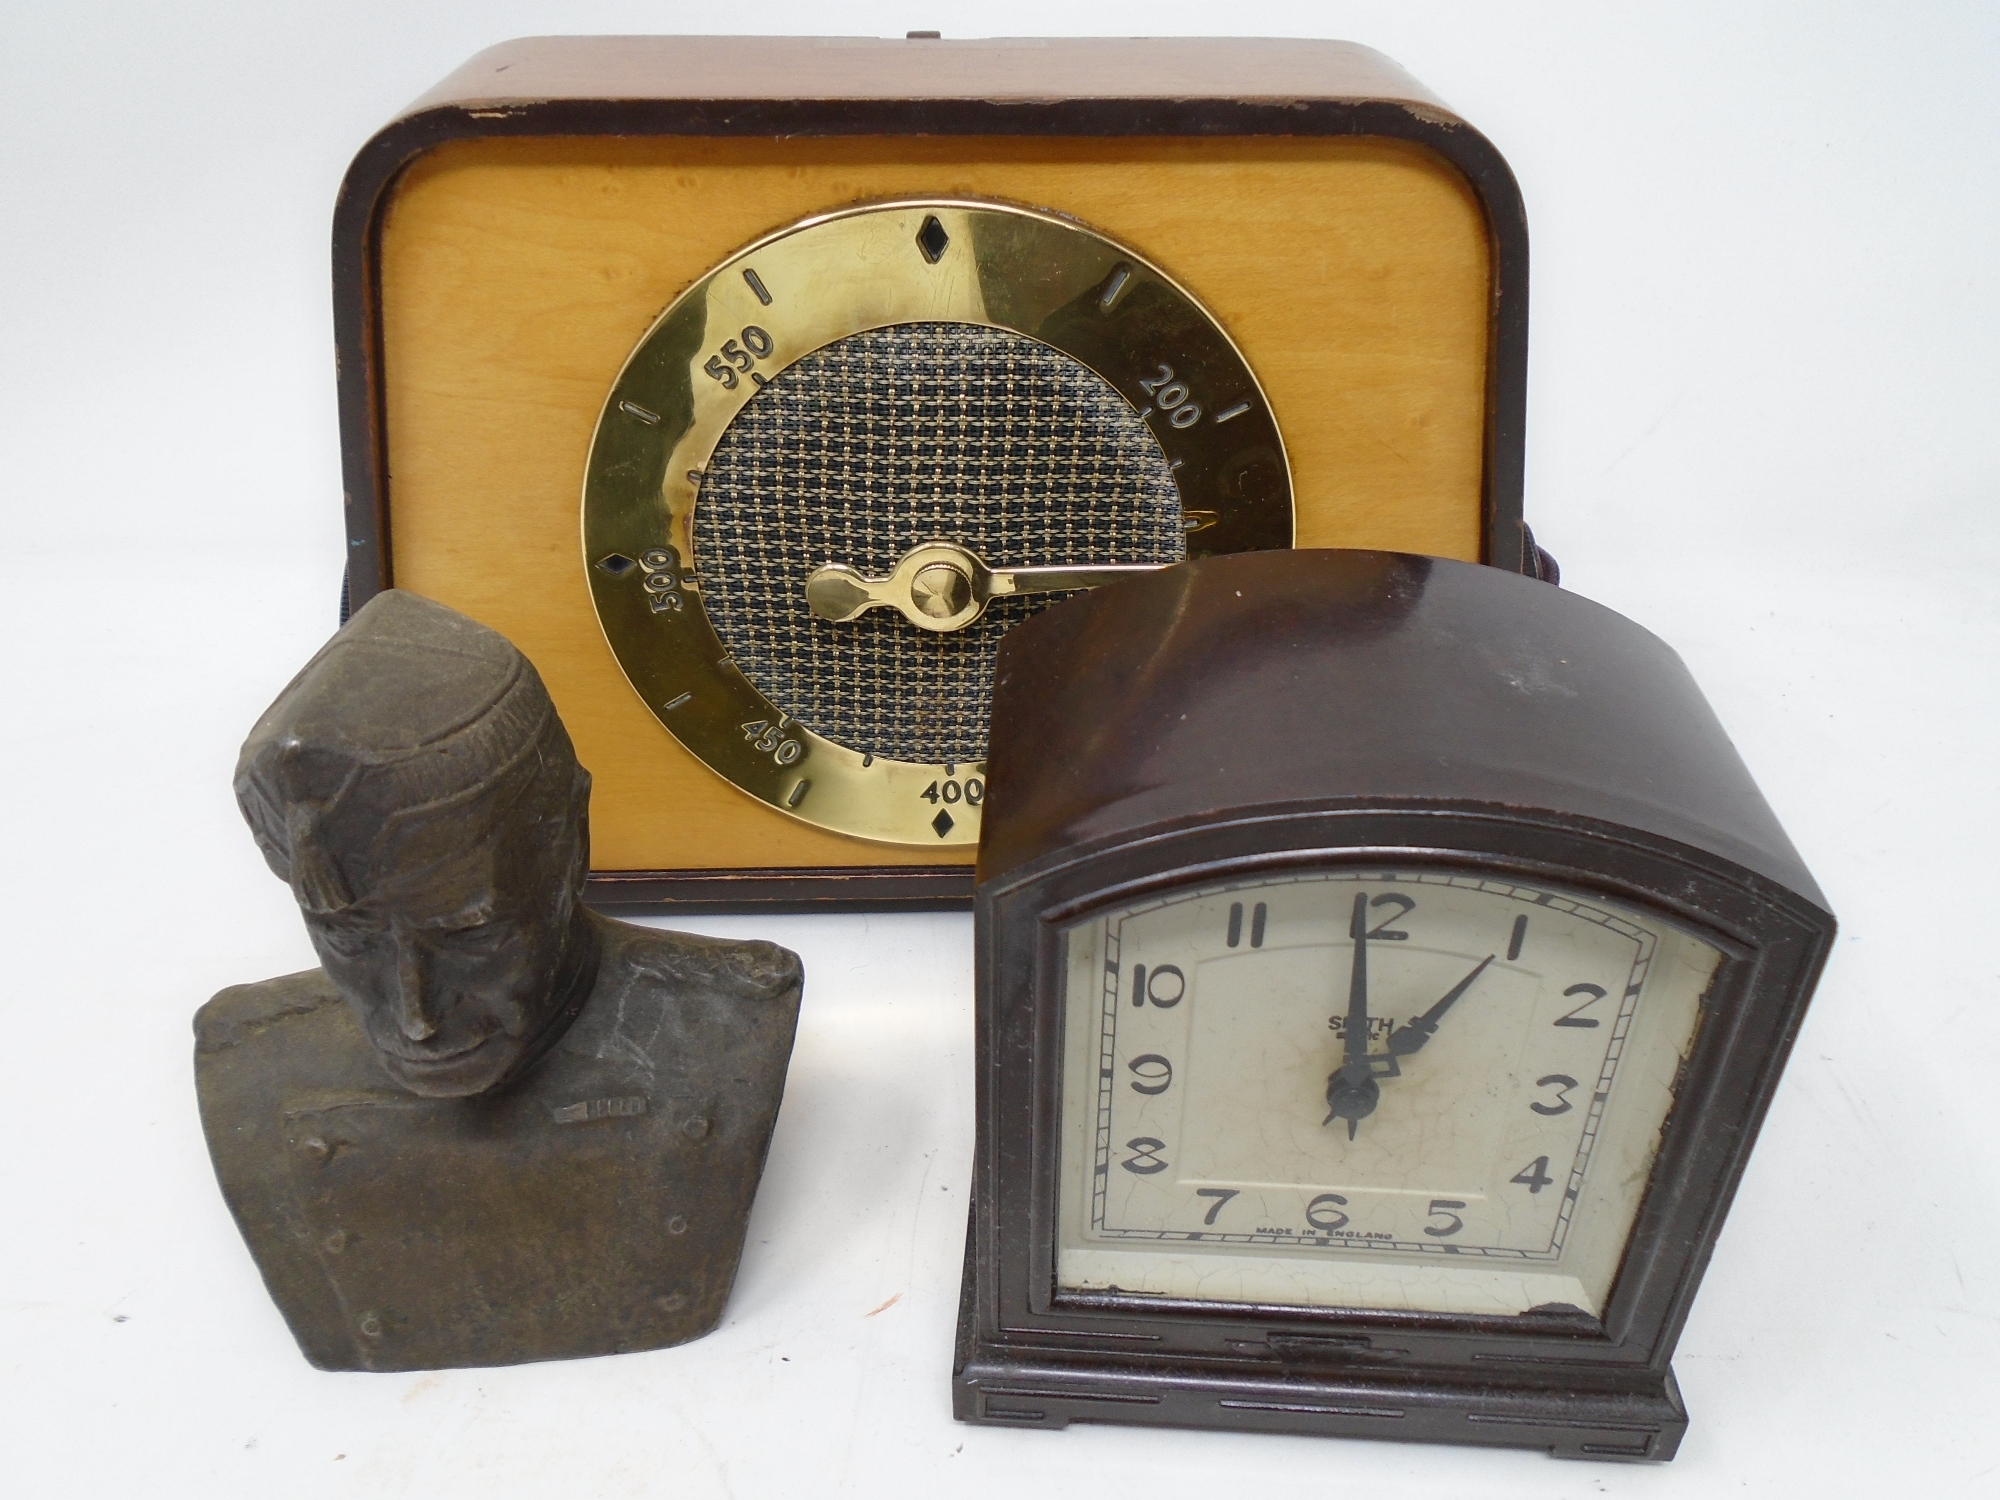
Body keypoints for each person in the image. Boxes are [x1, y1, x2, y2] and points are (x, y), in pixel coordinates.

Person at [194, 590, 803, 1372]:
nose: (414, 1017)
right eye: (349, 936)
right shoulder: (245, 1055)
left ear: (569, 841)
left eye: (468, 933)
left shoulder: (731, 1018)